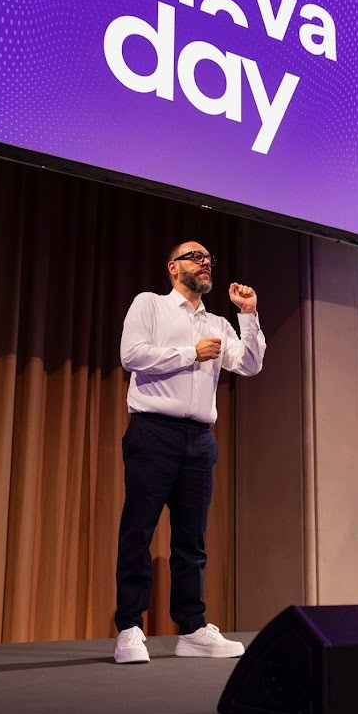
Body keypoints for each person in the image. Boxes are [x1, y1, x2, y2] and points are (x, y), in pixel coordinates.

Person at [114, 240, 266, 663]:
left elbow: (249, 364)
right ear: (173, 267)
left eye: (208, 259)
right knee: (138, 530)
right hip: (153, 430)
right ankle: (129, 627)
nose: (204, 263)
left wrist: (248, 314)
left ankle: (192, 628)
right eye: (194, 257)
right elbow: (131, 355)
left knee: (191, 539)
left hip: (199, 440)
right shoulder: (150, 305)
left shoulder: (218, 322)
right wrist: (189, 354)